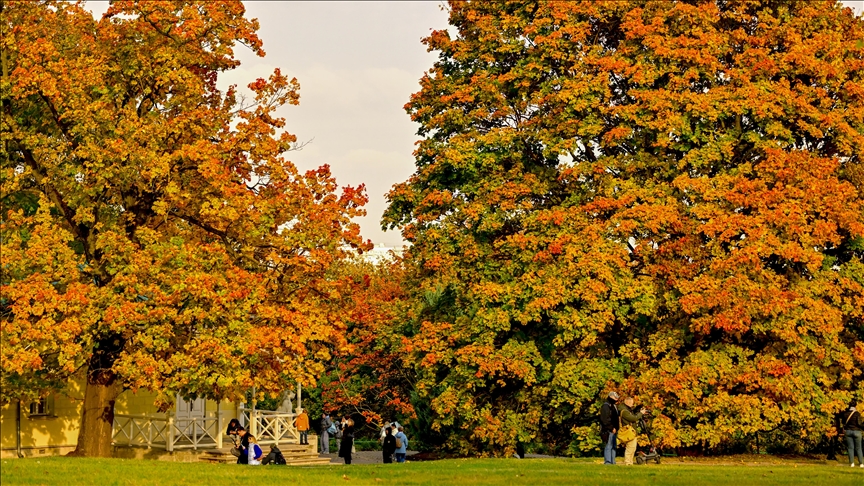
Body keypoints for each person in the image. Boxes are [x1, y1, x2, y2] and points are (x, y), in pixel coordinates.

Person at [619, 397, 647, 466]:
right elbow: (633, 418)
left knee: (633, 448)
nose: (632, 405)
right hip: (629, 432)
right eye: (632, 403)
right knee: (630, 448)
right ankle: (628, 462)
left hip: (632, 431)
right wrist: (641, 413)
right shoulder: (625, 411)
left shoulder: (627, 410)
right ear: (628, 403)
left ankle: (630, 462)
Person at [599, 391, 620, 465]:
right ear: (610, 396)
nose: (616, 399)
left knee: (613, 446)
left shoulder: (613, 406)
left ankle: (613, 462)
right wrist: (611, 428)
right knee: (608, 446)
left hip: (614, 430)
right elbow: (605, 419)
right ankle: (608, 462)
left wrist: (616, 428)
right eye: (615, 398)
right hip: (608, 430)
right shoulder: (606, 406)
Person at [842, 401, 864, 468]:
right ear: (855, 406)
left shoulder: (845, 414)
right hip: (857, 432)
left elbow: (843, 422)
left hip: (848, 431)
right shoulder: (857, 414)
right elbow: (859, 424)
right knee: (858, 448)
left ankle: (851, 463)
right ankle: (861, 463)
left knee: (850, 448)